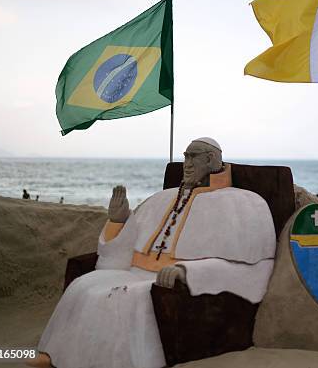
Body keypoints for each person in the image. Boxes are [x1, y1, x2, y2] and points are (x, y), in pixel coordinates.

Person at [29, 138, 276, 368]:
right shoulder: (160, 199)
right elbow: (124, 249)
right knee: (84, 286)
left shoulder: (243, 203)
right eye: (185, 157)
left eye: (193, 157)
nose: (186, 164)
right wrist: (118, 221)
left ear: (211, 160)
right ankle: (56, 354)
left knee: (128, 299)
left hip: (171, 281)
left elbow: (249, 265)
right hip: (134, 271)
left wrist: (188, 270)